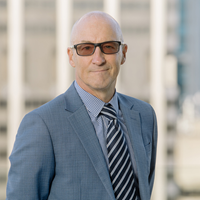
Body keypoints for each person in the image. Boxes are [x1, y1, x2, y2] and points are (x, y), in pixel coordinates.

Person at [6, 11, 157, 200]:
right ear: (71, 56)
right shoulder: (41, 125)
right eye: (86, 48)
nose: (98, 58)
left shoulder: (145, 116)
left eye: (108, 47)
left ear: (123, 53)